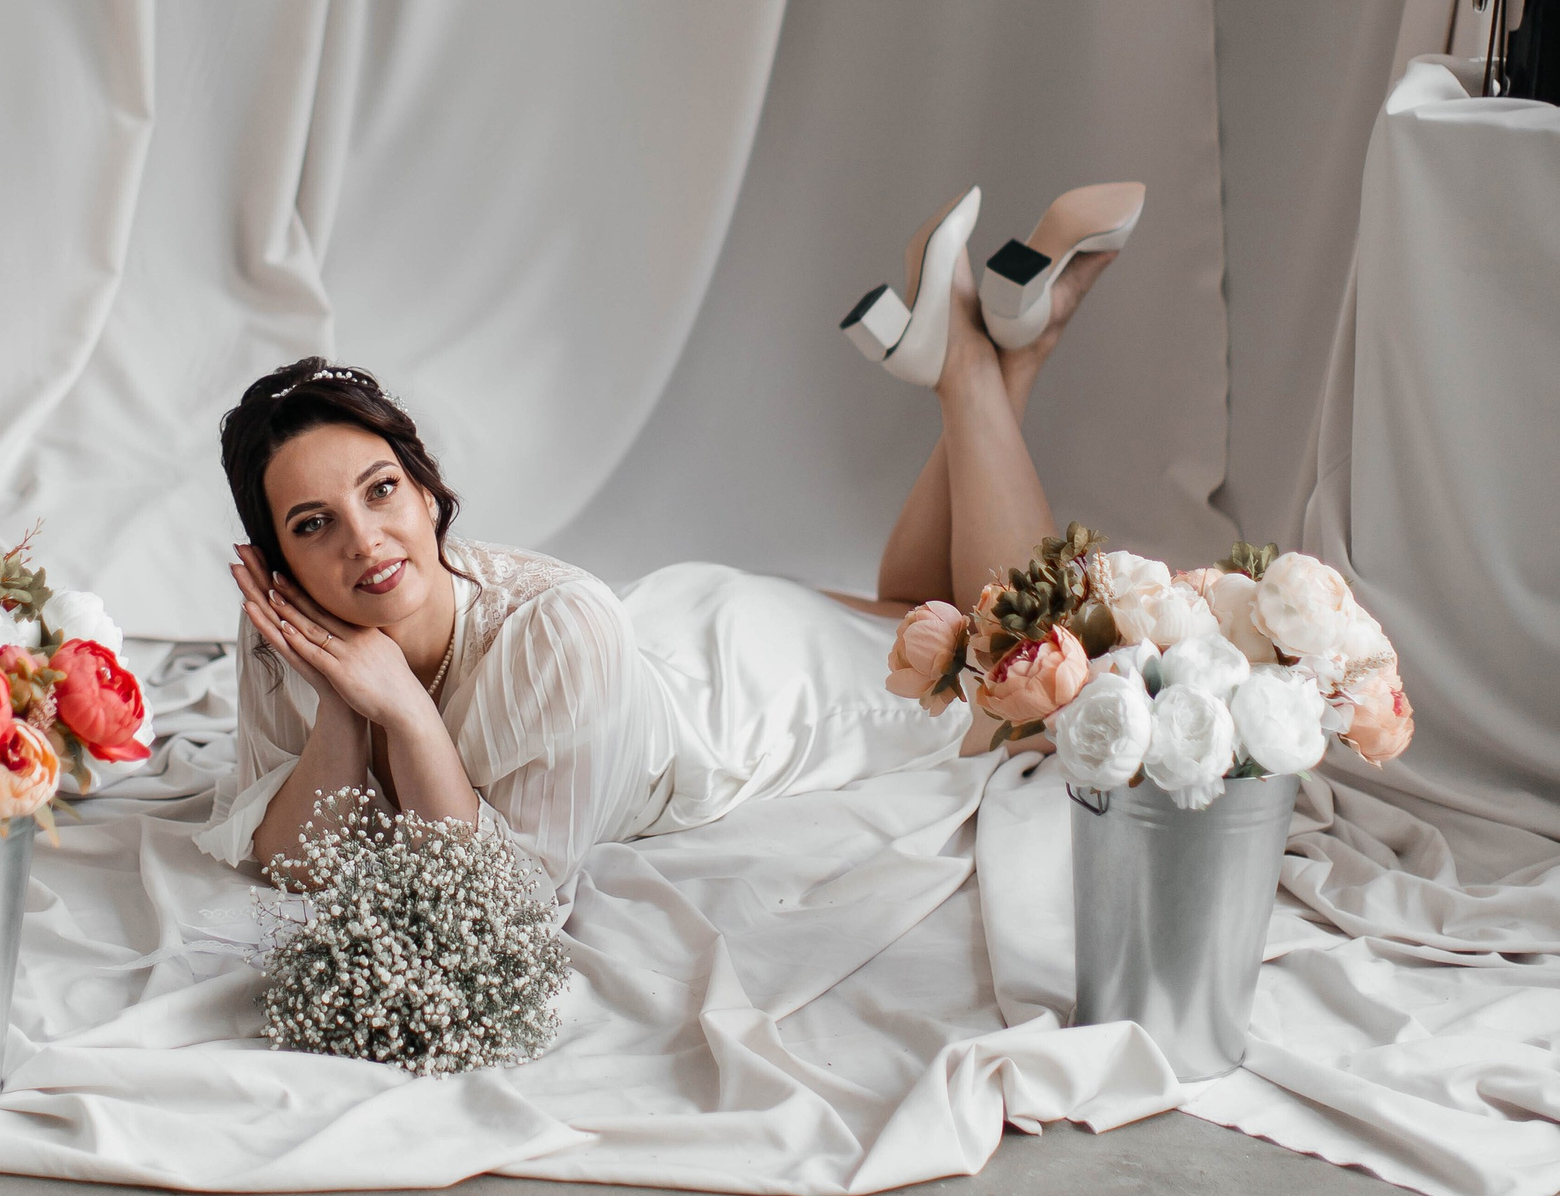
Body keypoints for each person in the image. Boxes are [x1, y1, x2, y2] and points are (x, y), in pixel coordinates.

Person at [196, 194, 1131, 895]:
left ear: (425, 487)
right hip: (661, 634)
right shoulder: (294, 631)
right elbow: (296, 860)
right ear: (279, 561)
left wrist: (403, 710)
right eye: (313, 524)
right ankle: (1002, 355)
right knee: (913, 616)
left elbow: (498, 903)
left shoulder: (548, 630)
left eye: (381, 490)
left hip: (739, 700)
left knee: (1029, 675)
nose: (364, 541)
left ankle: (967, 364)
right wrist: (345, 704)